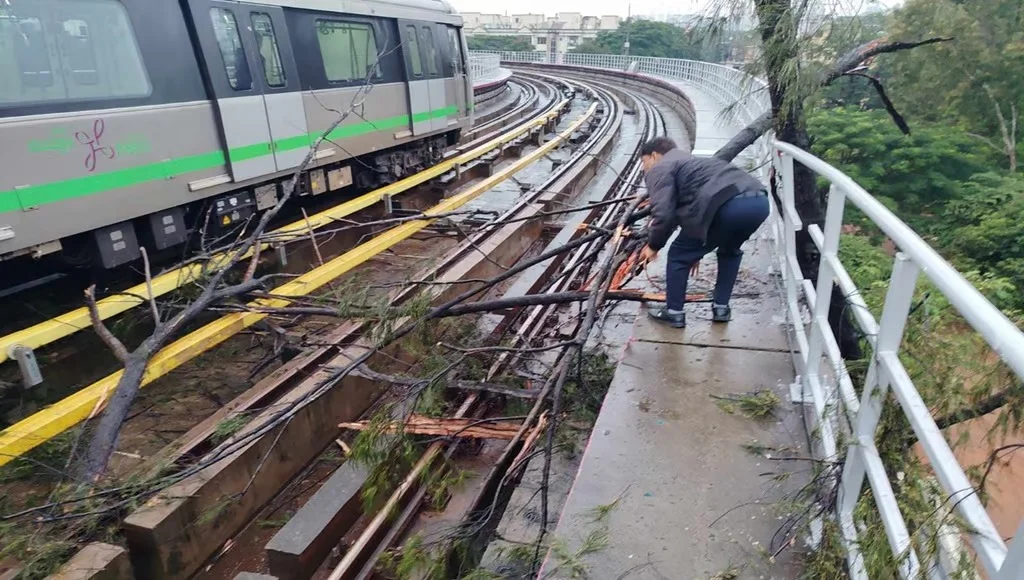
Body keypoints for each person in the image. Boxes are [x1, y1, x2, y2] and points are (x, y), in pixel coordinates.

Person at [639, 137, 770, 328]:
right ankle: (721, 309)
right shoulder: (696, 163)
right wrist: (699, 244)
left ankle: (674, 312)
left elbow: (664, 213)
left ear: (654, 155)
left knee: (678, 255)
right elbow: (693, 204)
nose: (644, 168)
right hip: (759, 203)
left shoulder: (661, 167)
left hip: (727, 205)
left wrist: (653, 245)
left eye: (644, 162)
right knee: (729, 251)